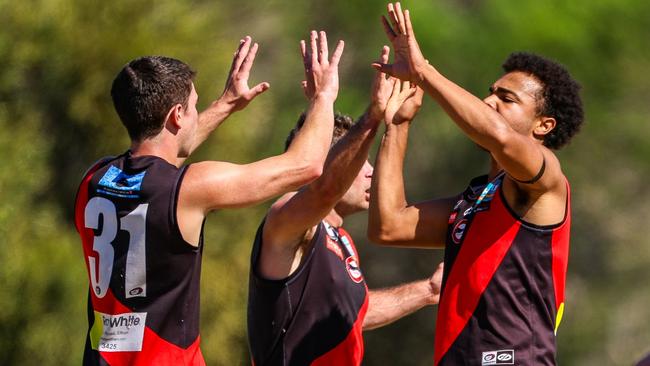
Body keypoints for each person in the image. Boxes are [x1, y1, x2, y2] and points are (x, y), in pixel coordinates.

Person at [74, 31, 344, 365]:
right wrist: (324, 98)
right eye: (194, 107)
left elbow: (161, 157)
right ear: (176, 115)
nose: (196, 113)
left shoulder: (94, 179)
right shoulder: (188, 188)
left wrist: (226, 104)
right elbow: (306, 165)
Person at [369, 3, 584, 365]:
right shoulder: (476, 198)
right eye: (491, 92)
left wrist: (423, 72)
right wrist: (399, 124)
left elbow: (499, 137)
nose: (488, 101)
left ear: (543, 126)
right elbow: (389, 226)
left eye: (506, 98)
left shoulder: (546, 177)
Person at [247, 45, 444, 366]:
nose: (369, 171)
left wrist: (427, 291)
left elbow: (354, 314)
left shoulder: (339, 238)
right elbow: (323, 191)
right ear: (326, 165)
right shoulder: (288, 218)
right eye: (359, 162)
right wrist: (374, 115)